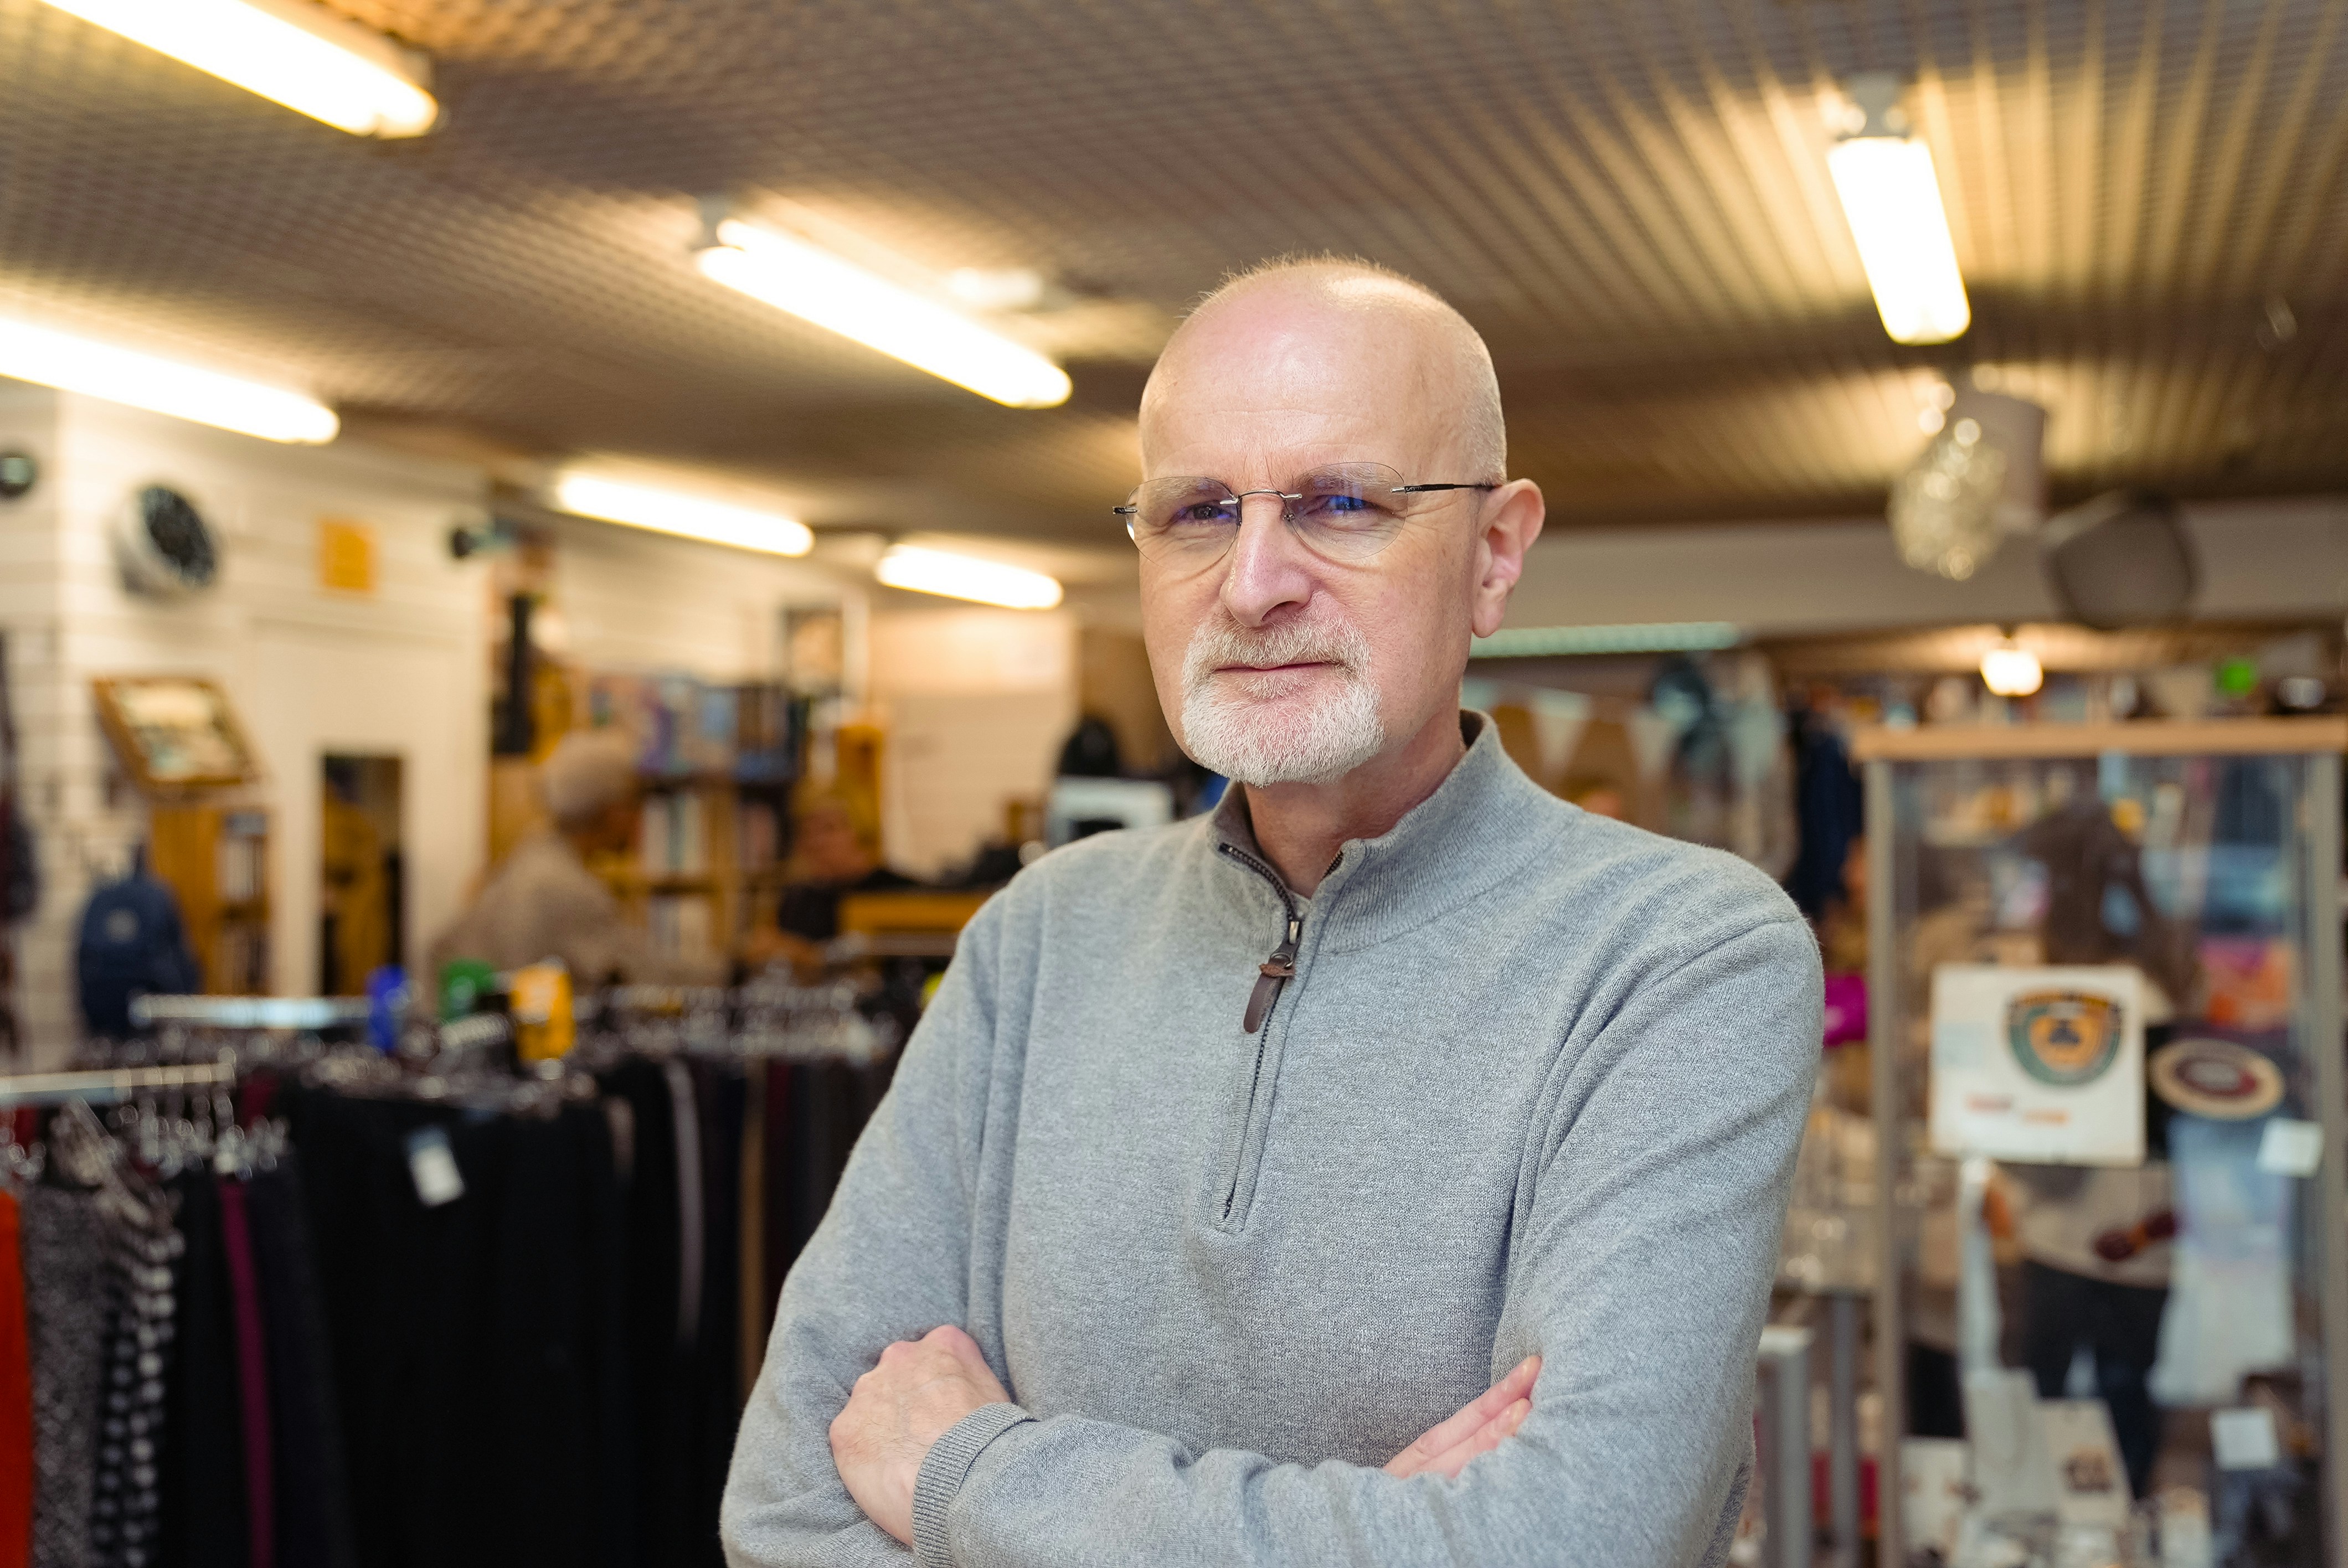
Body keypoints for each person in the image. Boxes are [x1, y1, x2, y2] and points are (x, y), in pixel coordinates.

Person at [721, 258, 1822, 1567]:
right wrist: (1385, 1525)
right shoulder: (1038, 936)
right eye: (1194, 511)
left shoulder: (1676, 956)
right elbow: (788, 1501)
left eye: (1339, 502)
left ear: (1492, 552)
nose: (1250, 584)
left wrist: (971, 1478)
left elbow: (1568, 1539)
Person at [426, 729, 723, 992]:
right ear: (611, 810)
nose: (638, 816)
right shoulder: (562, 886)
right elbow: (644, 973)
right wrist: (736, 971)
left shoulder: (528, 860)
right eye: (633, 803)